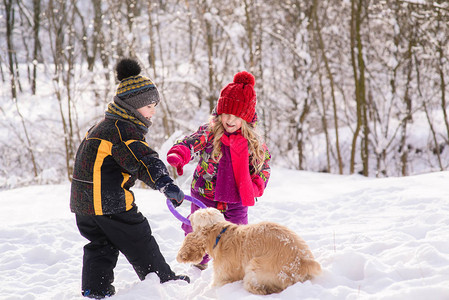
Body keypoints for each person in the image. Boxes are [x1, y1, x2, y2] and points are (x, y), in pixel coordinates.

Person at [70, 58, 190, 299]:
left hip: (83, 204)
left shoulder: (102, 126)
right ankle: (162, 278)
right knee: (138, 237)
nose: (153, 111)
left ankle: (96, 289)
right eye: (150, 106)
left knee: (100, 244)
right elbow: (143, 159)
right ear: (134, 106)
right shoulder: (123, 131)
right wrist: (165, 183)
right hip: (108, 202)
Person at [166, 71, 271, 270]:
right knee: (198, 230)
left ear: (246, 118)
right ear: (219, 112)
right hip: (205, 195)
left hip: (236, 200)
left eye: (236, 116)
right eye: (226, 114)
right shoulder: (210, 131)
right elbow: (190, 142)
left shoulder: (253, 142)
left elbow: (264, 166)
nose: (230, 120)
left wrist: (257, 184)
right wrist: (179, 154)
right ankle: (199, 264)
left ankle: (234, 267)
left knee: (238, 235)